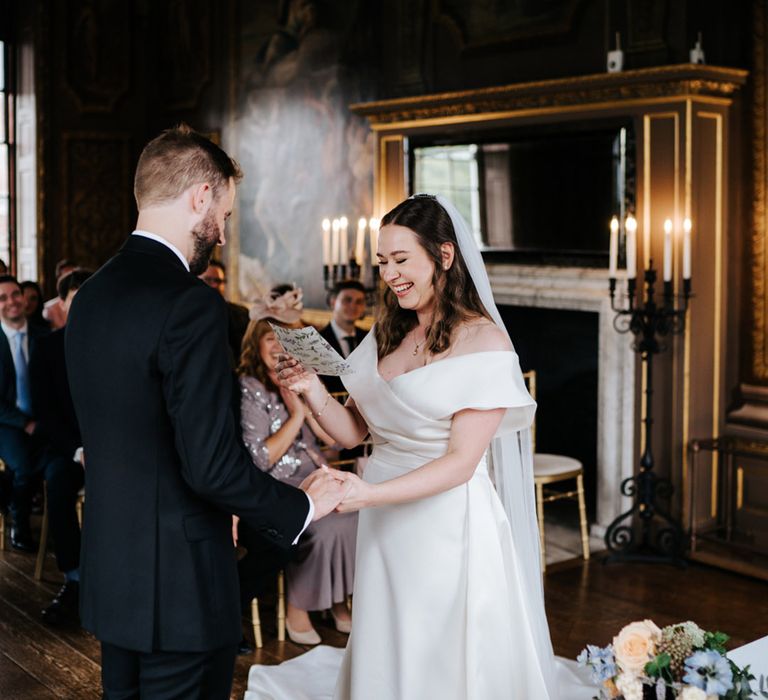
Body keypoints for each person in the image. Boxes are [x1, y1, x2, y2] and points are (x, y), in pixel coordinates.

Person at [259, 194, 592, 700]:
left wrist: (366, 494)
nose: (389, 275)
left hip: (446, 523)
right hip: (384, 520)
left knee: (443, 649)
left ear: (444, 256)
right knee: (390, 637)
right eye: (382, 263)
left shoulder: (485, 345)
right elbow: (352, 431)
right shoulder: (387, 335)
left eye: (400, 260)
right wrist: (308, 388)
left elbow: (461, 464)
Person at [65, 125, 347, 700]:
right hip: (182, 586)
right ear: (199, 196)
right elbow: (212, 467)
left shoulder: (91, 295)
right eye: (224, 211)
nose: (221, 231)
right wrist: (302, 505)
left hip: (114, 575)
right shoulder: (191, 302)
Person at [238, 318, 357, 645]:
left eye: (283, 340)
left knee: (354, 515)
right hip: (279, 483)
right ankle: (298, 606)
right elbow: (260, 458)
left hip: (314, 472)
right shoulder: (250, 387)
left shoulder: (294, 380)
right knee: (321, 526)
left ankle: (335, 602)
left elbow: (332, 441)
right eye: (269, 340)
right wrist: (296, 416)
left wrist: (309, 400)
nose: (278, 347)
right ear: (255, 345)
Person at [29, 268, 92, 625]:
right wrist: (79, 451)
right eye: (76, 299)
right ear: (64, 304)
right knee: (59, 484)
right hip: (64, 446)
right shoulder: (47, 347)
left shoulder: (112, 344)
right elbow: (46, 413)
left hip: (109, 447)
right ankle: (75, 579)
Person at [0, 274, 51, 552]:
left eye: (15, 294)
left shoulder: (44, 335)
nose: (12, 302)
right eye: (3, 298)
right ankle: (18, 522)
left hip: (43, 419)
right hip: (6, 421)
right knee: (24, 466)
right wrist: (24, 422)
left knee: (54, 460)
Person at [318, 279, 367, 395]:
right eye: (347, 300)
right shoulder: (317, 340)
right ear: (333, 302)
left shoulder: (370, 337)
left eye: (359, 301)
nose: (353, 306)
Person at [199, 259, 250, 362]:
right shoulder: (185, 313)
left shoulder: (241, 314)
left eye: (218, 281)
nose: (214, 285)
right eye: (208, 280)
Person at [43, 259, 77, 330]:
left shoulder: (87, 303)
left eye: (73, 276)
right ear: (58, 280)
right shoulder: (48, 309)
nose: (71, 281)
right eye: (66, 277)